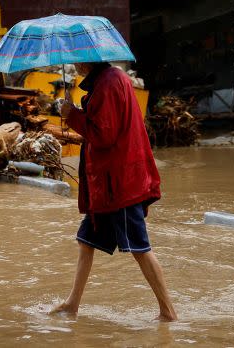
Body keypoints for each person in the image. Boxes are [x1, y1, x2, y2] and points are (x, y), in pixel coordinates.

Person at [50, 61, 177, 322]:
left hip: (119, 184)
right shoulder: (113, 78)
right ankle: (72, 304)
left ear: (88, 59)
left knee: (140, 248)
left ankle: (168, 312)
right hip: (111, 183)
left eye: (77, 60)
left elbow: (103, 135)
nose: (74, 64)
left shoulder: (107, 84)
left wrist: (71, 115)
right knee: (86, 241)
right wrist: (76, 110)